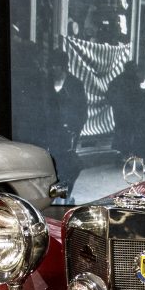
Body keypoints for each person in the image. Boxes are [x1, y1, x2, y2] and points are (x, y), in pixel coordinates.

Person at [46, 50, 87, 194]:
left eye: (56, 65)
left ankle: (64, 193)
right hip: (50, 129)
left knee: (67, 163)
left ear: (63, 66)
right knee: (53, 162)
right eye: (51, 65)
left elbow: (82, 109)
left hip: (68, 131)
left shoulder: (75, 84)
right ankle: (60, 192)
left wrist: (75, 128)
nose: (53, 68)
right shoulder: (46, 82)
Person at [106, 61, 142, 160]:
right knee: (127, 132)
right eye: (134, 69)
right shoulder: (132, 80)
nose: (135, 72)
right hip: (126, 111)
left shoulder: (118, 79)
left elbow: (109, 94)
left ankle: (123, 153)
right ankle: (124, 154)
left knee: (123, 131)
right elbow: (138, 95)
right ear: (129, 69)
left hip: (123, 111)